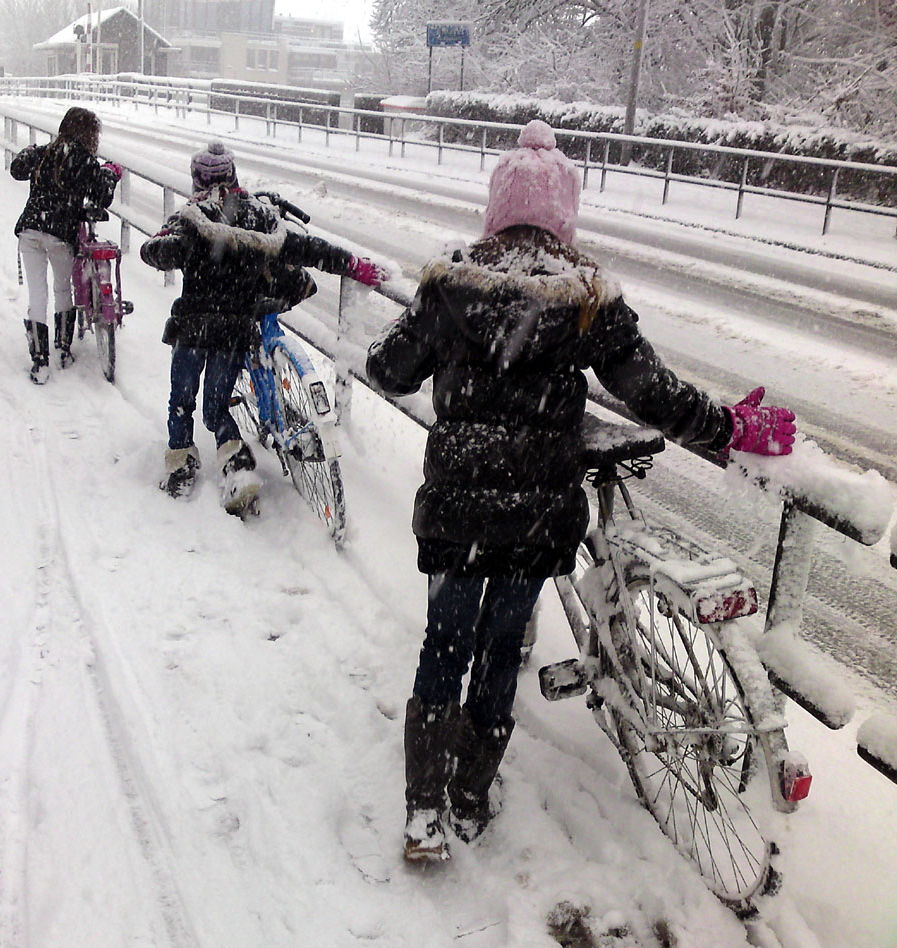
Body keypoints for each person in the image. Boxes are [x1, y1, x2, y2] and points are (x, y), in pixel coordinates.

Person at [365, 120, 797, 863]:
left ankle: (422, 811)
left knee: (444, 644)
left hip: (461, 506)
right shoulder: (589, 296)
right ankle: (470, 797)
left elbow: (387, 370)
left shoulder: (449, 284)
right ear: (566, 214)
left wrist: (440, 352)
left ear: (496, 206)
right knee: (503, 648)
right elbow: (651, 392)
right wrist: (730, 427)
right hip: (536, 516)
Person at [140, 141, 387, 514]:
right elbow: (305, 248)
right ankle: (238, 468)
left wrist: (164, 244)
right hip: (233, 331)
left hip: (192, 327)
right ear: (233, 174)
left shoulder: (190, 219)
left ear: (196, 180)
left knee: (181, 400)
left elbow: (156, 254)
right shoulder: (258, 216)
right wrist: (353, 265)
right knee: (217, 406)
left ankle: (181, 464)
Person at [10, 107, 122, 383]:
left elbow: (17, 169)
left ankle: (39, 361)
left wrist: (31, 153)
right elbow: (103, 197)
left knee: (37, 293)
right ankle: (62, 349)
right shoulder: (85, 162)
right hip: (60, 234)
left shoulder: (44, 153)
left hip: (31, 230)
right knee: (62, 288)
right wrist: (110, 173)